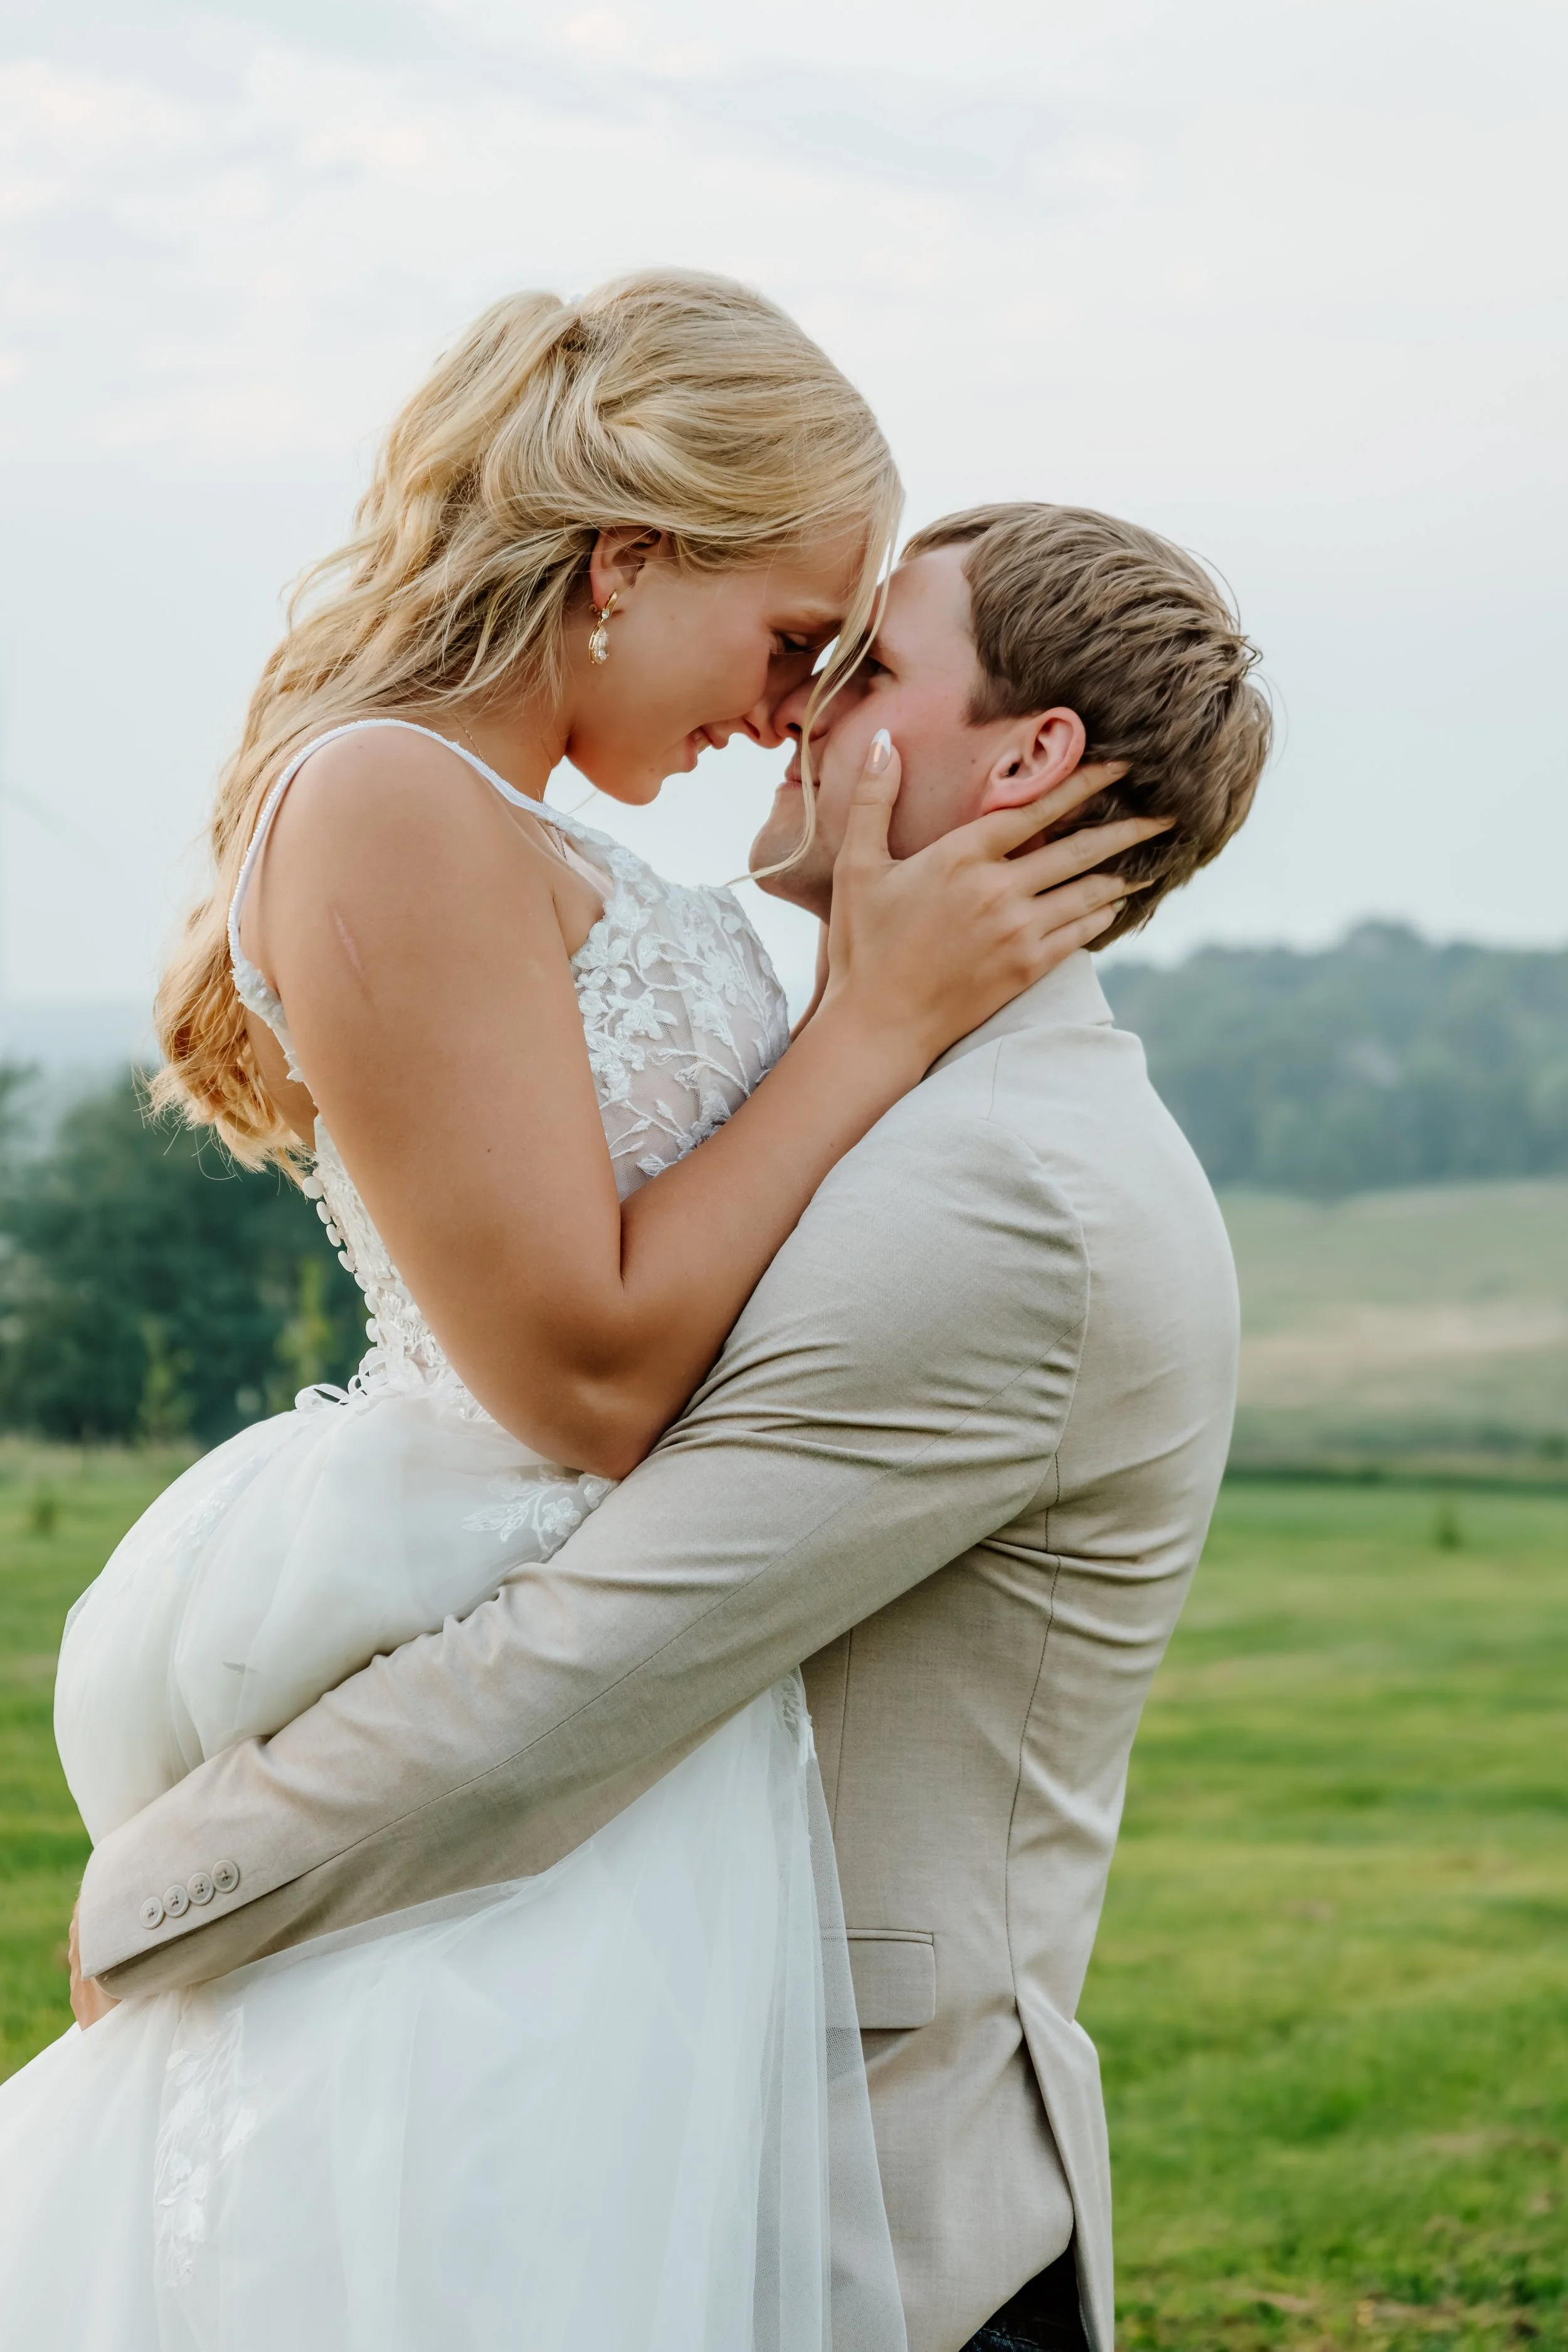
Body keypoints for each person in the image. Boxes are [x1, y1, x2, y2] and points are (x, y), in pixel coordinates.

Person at [0, 275, 1148, 2352]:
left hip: (658, 1739)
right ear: (626, 564)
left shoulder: (513, 830)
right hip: (506, 1661)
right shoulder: (381, 801)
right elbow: (590, 1374)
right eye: (792, 642)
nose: (788, 713)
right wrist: (870, 1022)